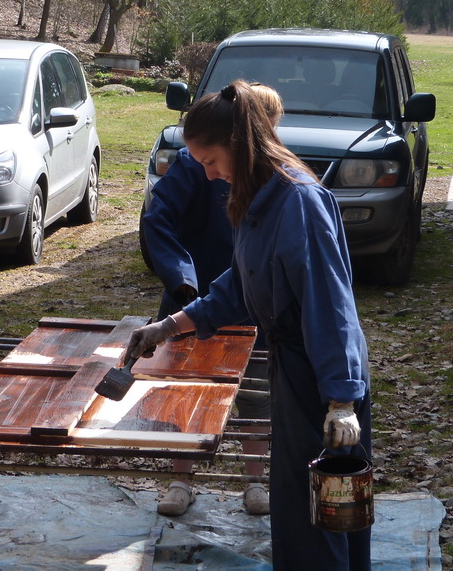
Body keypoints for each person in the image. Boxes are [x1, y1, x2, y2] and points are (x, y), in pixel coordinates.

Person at [126, 79, 371, 570]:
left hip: (321, 374)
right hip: (292, 366)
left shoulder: (298, 201)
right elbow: (239, 286)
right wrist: (169, 326)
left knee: (325, 507)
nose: (209, 174)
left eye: (212, 161)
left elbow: (330, 304)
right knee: (295, 501)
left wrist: (342, 398)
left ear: (239, 144)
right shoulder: (254, 198)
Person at [141, 83, 282, 517]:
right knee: (186, 393)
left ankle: (255, 481)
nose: (214, 173)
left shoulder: (279, 182)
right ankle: (181, 479)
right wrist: (183, 281)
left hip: (253, 307)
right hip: (193, 300)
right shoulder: (193, 165)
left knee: (257, 395)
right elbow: (157, 220)